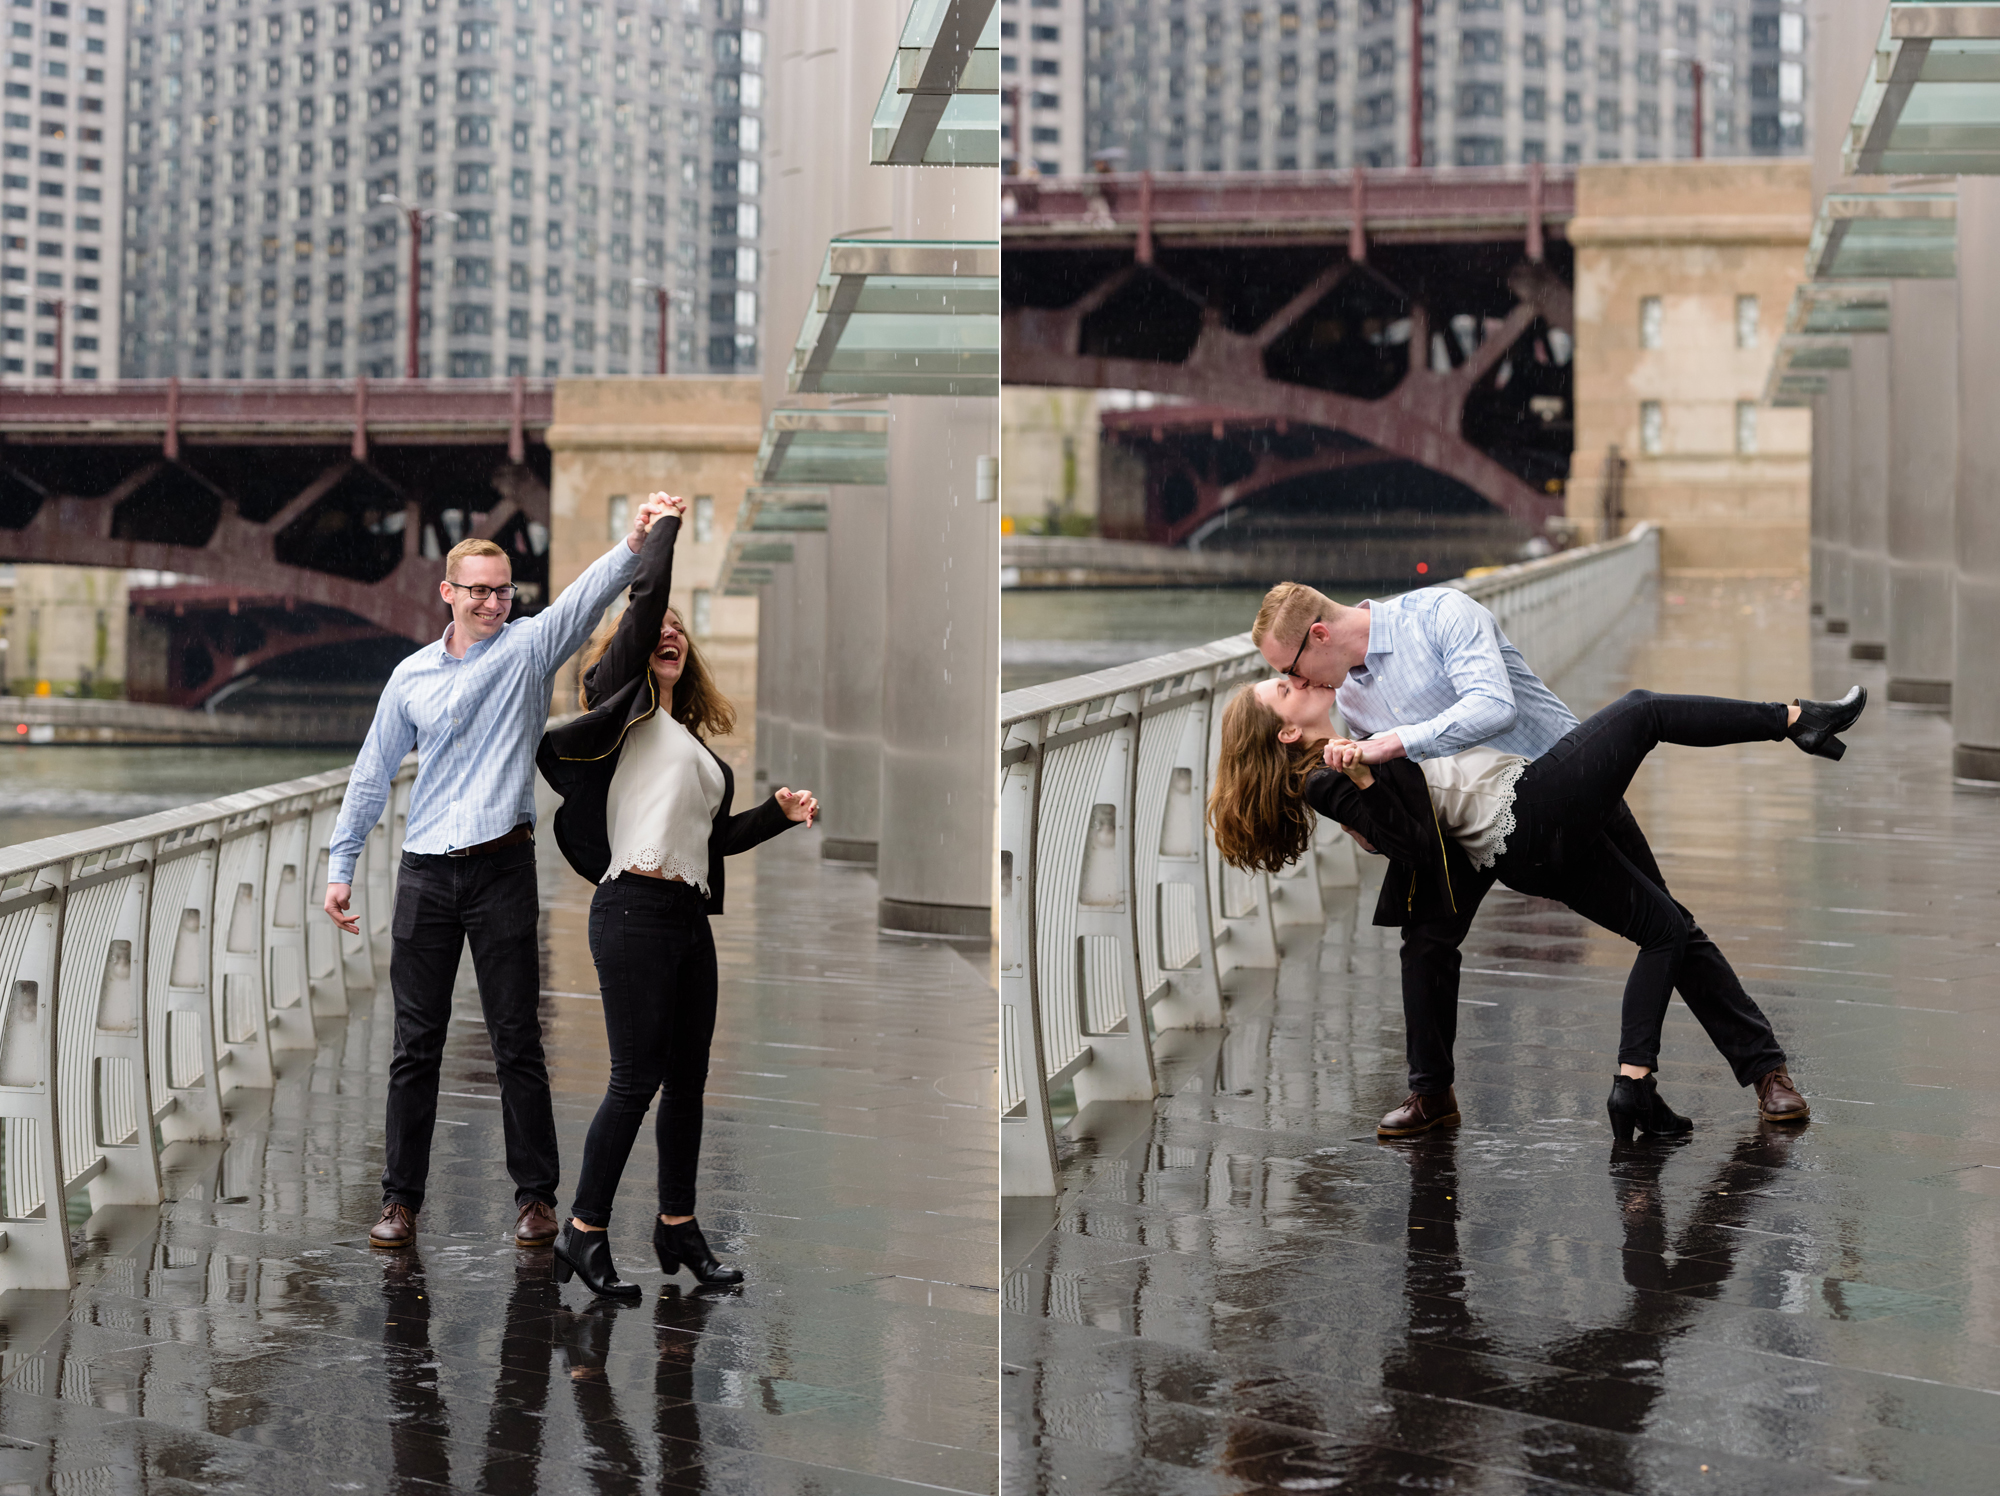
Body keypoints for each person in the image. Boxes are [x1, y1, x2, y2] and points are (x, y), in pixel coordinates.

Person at [1245, 580, 1862, 1139]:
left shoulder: (1437, 614)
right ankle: (1431, 1095)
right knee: (1425, 942)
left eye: (1290, 669)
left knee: (1670, 926)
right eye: (1286, 682)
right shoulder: (1348, 700)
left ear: (1318, 636)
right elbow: (1397, 795)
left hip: (1559, 790)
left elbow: (1493, 707)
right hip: (1469, 828)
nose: (1300, 684)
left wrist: (1395, 742)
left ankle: (1766, 1074)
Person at [325, 493, 672, 1252]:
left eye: (501, 589)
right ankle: (400, 1202)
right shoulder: (408, 678)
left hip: (502, 869)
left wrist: (635, 542)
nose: (490, 602)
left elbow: (584, 602)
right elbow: (372, 771)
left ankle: (535, 1200)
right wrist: (340, 863)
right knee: (416, 1045)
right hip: (424, 873)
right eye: (476, 590)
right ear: (446, 593)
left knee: (518, 1040)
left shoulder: (526, 649)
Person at [535, 496, 817, 1299]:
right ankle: (583, 1233)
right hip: (632, 912)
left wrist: (777, 816)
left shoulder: (690, 744)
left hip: (687, 917)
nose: (669, 634)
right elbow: (647, 606)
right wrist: (663, 531)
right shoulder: (618, 710)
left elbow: (711, 841)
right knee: (635, 1079)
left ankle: (676, 1227)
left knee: (688, 1080)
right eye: (659, 629)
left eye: (680, 636)